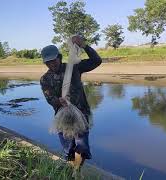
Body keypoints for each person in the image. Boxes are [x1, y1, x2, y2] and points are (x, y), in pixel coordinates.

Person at [40, 35, 102, 171]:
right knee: (68, 148)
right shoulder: (45, 79)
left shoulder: (73, 68)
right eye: (48, 62)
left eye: (54, 60)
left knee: (82, 146)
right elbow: (49, 97)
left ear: (59, 57)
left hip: (81, 113)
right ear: (45, 63)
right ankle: (71, 165)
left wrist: (84, 45)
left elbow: (96, 61)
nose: (52, 64)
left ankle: (77, 170)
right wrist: (57, 101)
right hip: (62, 117)